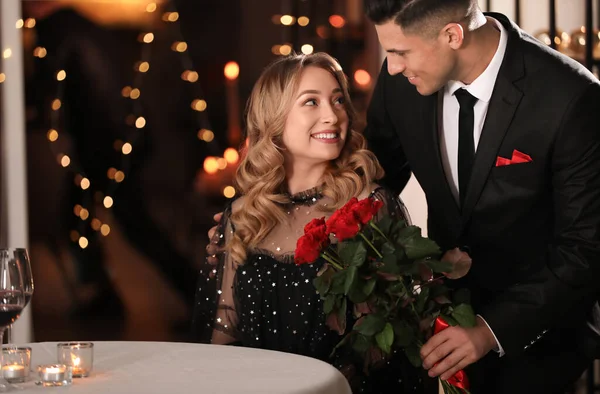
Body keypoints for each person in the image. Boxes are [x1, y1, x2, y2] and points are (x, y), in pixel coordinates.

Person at [362, 0, 600, 393]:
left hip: (541, 337)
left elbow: (585, 248)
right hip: (434, 324)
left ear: (453, 35)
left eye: (400, 52)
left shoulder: (571, 97)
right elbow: (370, 178)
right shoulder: (400, 82)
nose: (391, 67)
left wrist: (490, 331)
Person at [192, 53, 431, 393]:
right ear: (275, 118)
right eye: (311, 102)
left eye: (337, 100)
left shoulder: (369, 207)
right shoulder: (245, 214)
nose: (332, 115)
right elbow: (224, 327)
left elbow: (391, 336)